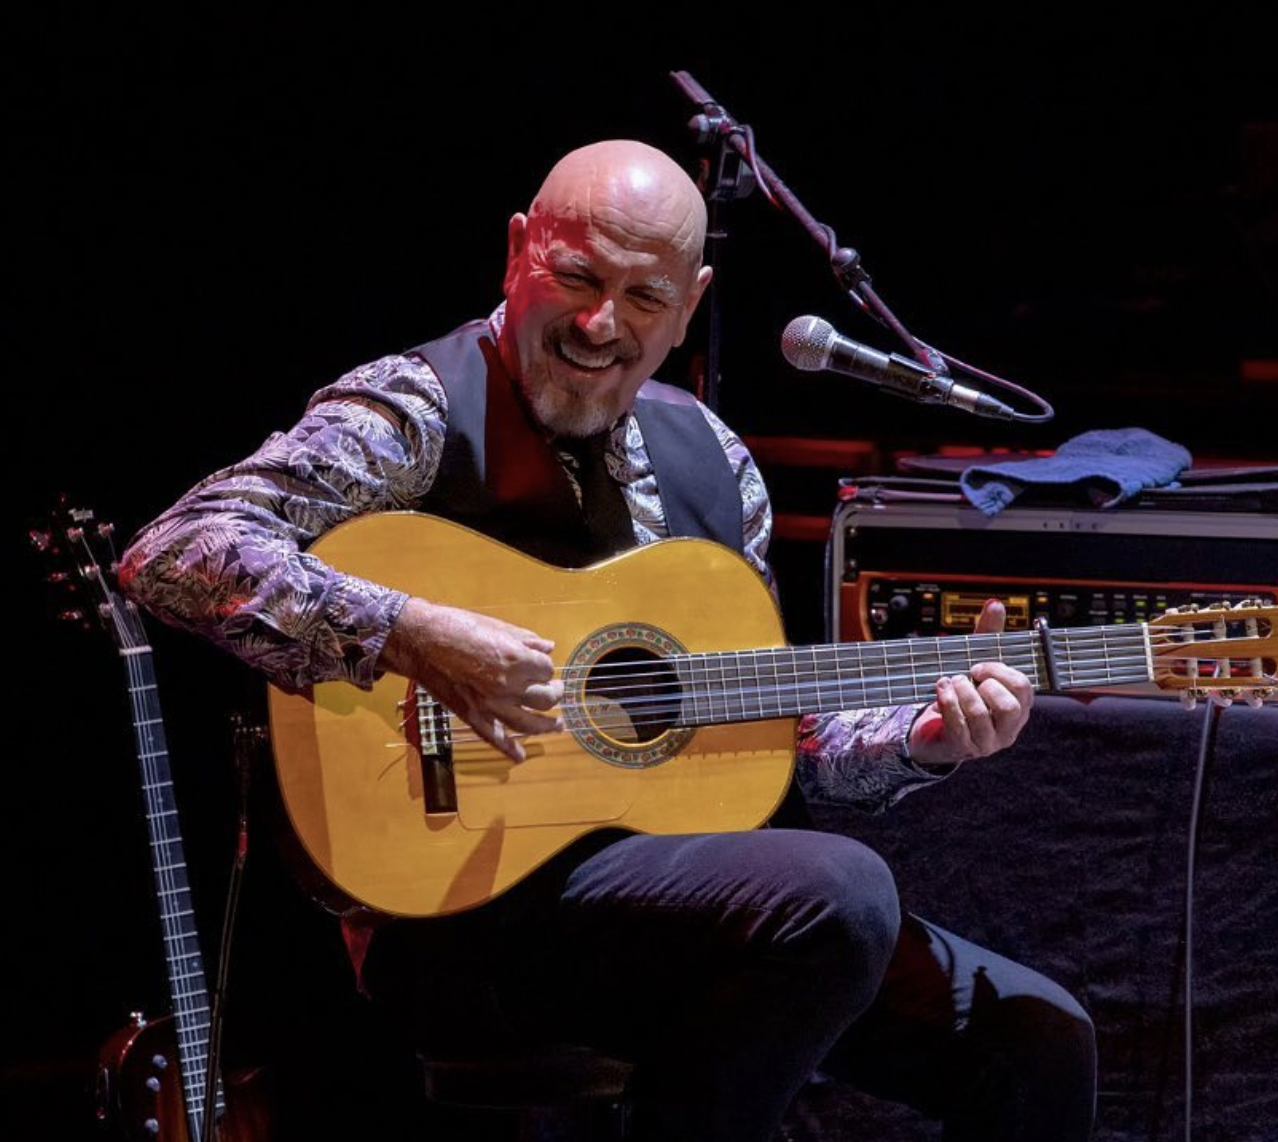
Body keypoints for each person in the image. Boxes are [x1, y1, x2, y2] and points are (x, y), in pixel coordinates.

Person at [118, 137, 1097, 1142]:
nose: (598, 323)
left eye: (641, 296)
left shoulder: (712, 457)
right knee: (839, 891)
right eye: (576, 276)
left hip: (686, 899)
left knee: (1035, 1035)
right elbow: (175, 549)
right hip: (461, 914)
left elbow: (778, 736)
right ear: (515, 253)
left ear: (690, 302)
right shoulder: (411, 411)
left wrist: (922, 738)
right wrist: (411, 632)